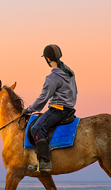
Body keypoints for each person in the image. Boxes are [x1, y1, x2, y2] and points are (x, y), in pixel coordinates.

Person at [23, 44, 77, 173]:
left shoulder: (52, 78)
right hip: (69, 108)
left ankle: (45, 162)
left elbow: (42, 99)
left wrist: (29, 109)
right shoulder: (69, 71)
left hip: (58, 109)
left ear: (47, 59)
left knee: (36, 128)